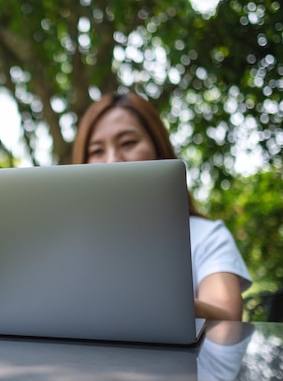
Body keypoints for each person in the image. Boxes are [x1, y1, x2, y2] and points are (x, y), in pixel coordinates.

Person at [71, 91, 252, 321]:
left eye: (128, 143)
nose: (112, 160)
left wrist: (147, 299)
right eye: (97, 151)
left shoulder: (205, 236)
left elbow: (226, 316)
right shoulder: (72, 243)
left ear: (159, 149)